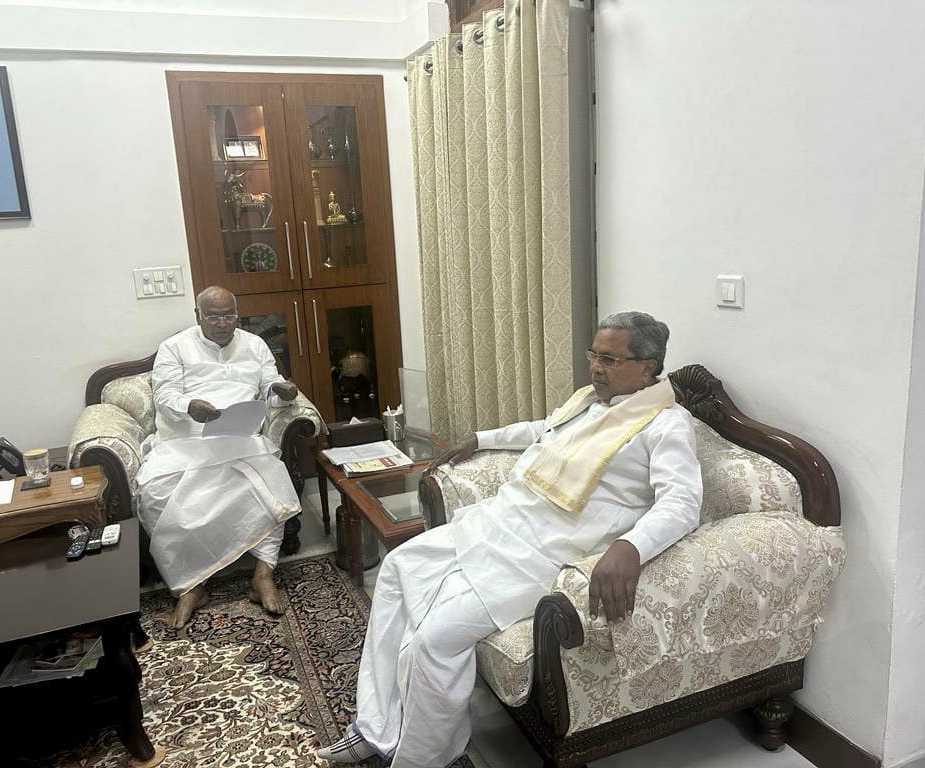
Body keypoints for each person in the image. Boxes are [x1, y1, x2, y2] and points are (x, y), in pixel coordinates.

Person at [317, 311, 703, 768]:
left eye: (609, 359)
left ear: (647, 367)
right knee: (397, 568)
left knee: (435, 640)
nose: (595, 368)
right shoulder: (590, 401)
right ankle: (374, 728)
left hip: (542, 554)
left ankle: (425, 757)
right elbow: (544, 429)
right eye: (594, 355)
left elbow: (683, 501)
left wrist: (630, 546)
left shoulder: (665, 424)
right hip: (499, 522)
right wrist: (480, 439)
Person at [136, 286, 302, 629]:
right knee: (154, 493)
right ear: (197, 316)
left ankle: (262, 575)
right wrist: (190, 406)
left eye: (229, 315)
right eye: (213, 316)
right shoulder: (175, 347)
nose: (223, 323)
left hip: (239, 438)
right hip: (186, 440)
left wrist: (282, 391)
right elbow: (165, 394)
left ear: (237, 315)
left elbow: (270, 385)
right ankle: (192, 585)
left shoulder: (255, 344)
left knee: (272, 479)